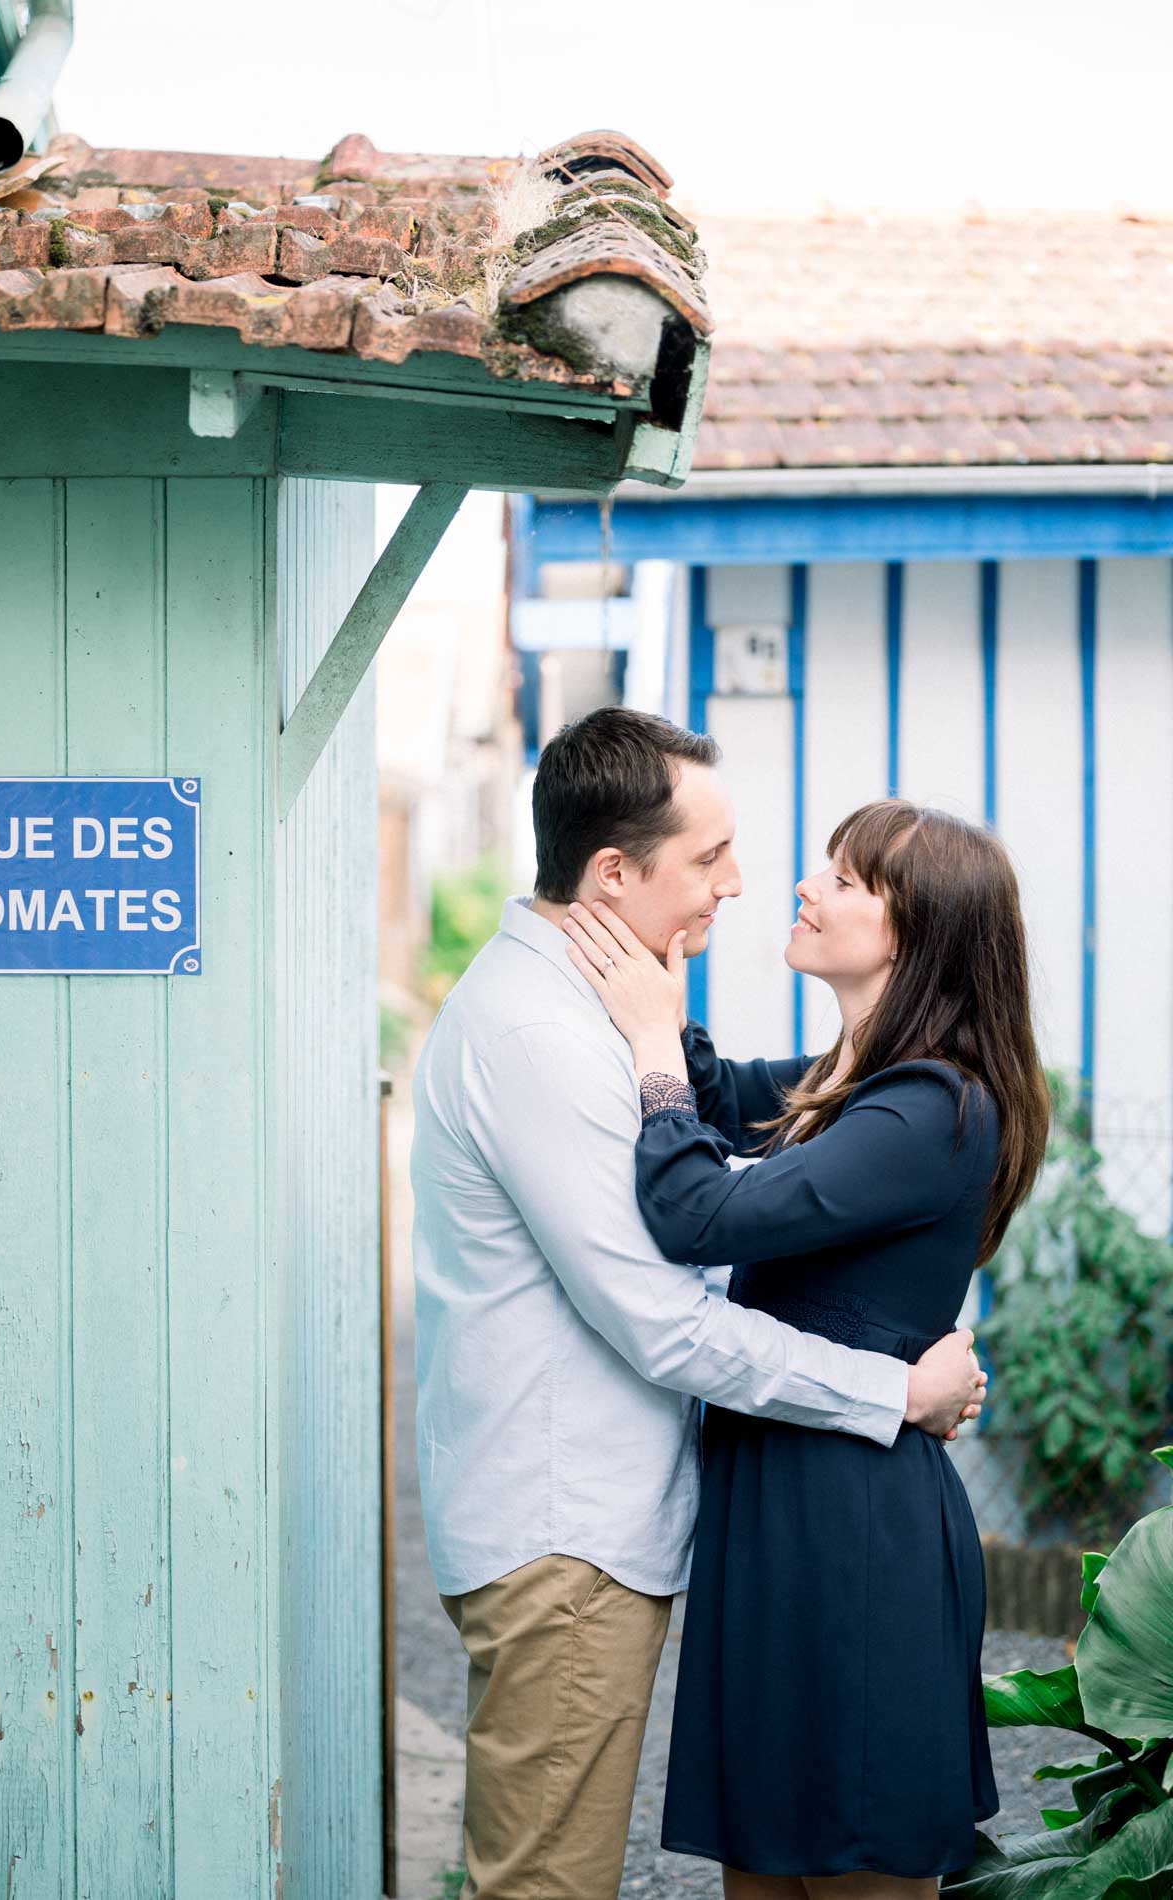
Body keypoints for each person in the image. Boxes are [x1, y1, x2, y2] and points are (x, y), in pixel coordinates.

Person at [411, 709, 989, 1900]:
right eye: (709, 858)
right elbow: (670, 1301)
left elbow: (711, 1135)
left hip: (805, 1517)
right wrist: (904, 1389)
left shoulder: (912, 1097)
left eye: (838, 875)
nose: (746, 883)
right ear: (614, 873)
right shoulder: (544, 1032)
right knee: (553, 1884)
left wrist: (652, 1029)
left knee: (826, 1849)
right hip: (582, 1530)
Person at [563, 794, 1049, 1899]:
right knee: (765, 1867)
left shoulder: (931, 1109)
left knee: (853, 1856)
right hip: (778, 1506)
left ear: (914, 932)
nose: (803, 885)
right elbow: (718, 1097)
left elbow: (695, 1211)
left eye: (844, 876)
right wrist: (658, 972)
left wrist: (647, 1040)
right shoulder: (854, 1082)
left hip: (852, 1530)